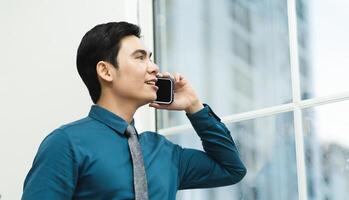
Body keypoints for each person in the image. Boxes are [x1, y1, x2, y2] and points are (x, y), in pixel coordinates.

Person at [22, 21, 247, 200]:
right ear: (106, 71)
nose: (154, 67)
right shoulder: (66, 143)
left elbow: (231, 169)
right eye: (140, 58)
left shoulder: (164, 152)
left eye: (150, 58)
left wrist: (194, 107)